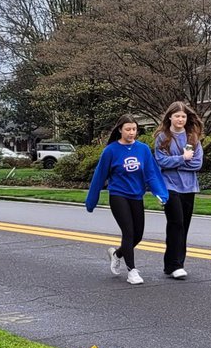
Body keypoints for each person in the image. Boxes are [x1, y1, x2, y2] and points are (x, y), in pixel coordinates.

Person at [85, 114, 168, 285]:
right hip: (118, 195)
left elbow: (152, 173)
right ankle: (132, 271)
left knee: (138, 235)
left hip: (136, 195)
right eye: (128, 129)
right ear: (120, 130)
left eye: (134, 129)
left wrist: (160, 193)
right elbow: (99, 176)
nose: (131, 133)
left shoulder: (143, 149)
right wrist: (91, 200)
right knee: (128, 232)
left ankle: (117, 254)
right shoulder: (110, 151)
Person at [153, 101, 204, 281]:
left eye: (183, 116)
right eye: (177, 116)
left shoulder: (192, 138)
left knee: (184, 226)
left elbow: (197, 163)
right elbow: (161, 162)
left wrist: (175, 162)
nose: (180, 119)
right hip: (169, 186)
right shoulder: (162, 137)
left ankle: (173, 264)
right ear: (170, 117)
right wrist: (182, 158)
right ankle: (176, 265)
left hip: (189, 187)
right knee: (176, 223)